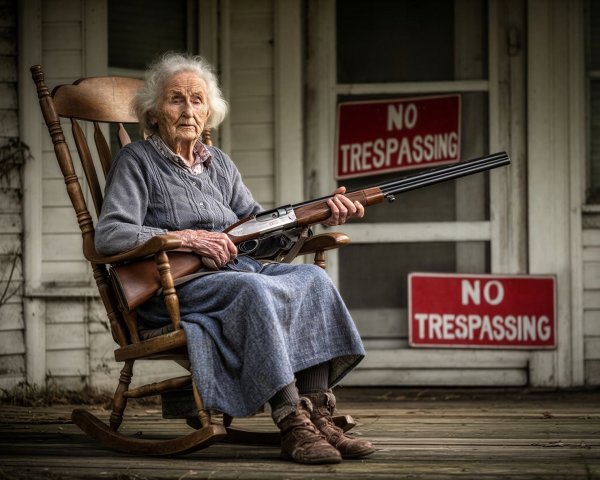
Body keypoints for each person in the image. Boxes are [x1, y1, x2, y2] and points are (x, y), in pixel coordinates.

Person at [95, 52, 374, 464]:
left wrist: (317, 214)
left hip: (233, 273)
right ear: (154, 112)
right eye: (176, 99)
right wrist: (186, 238)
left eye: (197, 100)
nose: (188, 110)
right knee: (254, 289)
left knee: (313, 281)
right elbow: (110, 234)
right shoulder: (137, 161)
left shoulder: (219, 164)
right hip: (178, 287)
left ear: (209, 112)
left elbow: (259, 232)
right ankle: (291, 421)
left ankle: (318, 413)